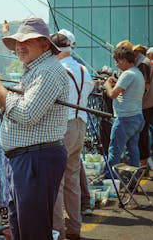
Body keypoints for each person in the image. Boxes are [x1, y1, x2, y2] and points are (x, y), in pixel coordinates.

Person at [0, 17, 70, 240]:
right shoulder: (35, 71)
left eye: (26, 41)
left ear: (45, 45)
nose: (19, 46)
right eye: (17, 42)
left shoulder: (48, 71)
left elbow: (27, 114)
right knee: (21, 226)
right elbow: (17, 110)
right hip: (26, 160)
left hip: (36, 159)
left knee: (34, 231)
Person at [51, 29, 94, 240]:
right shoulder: (84, 70)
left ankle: (57, 231)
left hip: (63, 127)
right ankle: (74, 228)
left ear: (55, 50)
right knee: (73, 179)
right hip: (80, 125)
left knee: (56, 182)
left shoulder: (56, 71)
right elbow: (91, 89)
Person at [103, 46, 145, 174]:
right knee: (132, 151)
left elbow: (112, 94)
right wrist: (116, 81)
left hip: (125, 119)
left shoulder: (127, 74)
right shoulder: (137, 73)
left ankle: (110, 180)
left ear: (125, 60)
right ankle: (134, 180)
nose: (116, 64)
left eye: (117, 61)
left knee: (114, 150)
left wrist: (107, 85)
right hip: (137, 117)